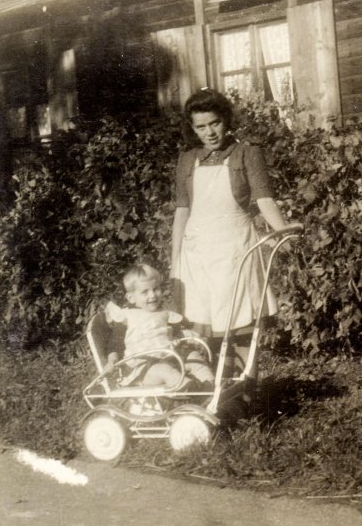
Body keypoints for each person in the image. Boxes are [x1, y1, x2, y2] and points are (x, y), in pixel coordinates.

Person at [171, 88, 289, 378]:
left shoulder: (247, 152)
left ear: (226, 119)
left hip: (236, 249)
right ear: (192, 128)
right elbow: (182, 211)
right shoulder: (187, 159)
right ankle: (210, 390)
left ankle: (246, 390)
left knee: (240, 322)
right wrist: (175, 261)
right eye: (201, 127)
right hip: (197, 252)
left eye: (215, 123)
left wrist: (285, 232)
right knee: (200, 326)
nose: (209, 132)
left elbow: (264, 201)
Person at [104, 262, 214, 390]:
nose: (152, 295)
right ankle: (191, 391)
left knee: (194, 357)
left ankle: (212, 385)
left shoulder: (164, 314)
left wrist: (184, 337)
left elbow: (181, 329)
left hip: (170, 358)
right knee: (165, 371)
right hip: (143, 369)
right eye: (145, 292)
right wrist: (112, 360)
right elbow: (115, 342)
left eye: (156, 289)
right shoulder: (127, 317)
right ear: (131, 297)